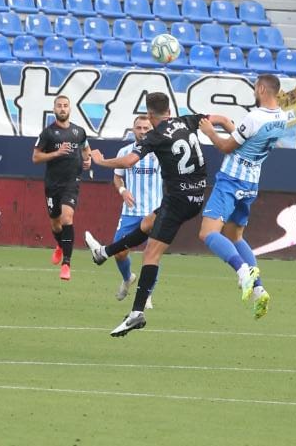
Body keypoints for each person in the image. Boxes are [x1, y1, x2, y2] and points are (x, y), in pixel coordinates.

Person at [86, 91, 209, 337]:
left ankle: (136, 313)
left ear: (151, 115)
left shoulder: (156, 135)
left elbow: (129, 162)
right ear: (170, 110)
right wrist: (226, 135)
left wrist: (100, 161)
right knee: (146, 224)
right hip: (197, 196)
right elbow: (217, 120)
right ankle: (104, 253)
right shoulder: (185, 121)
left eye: (147, 121)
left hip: (177, 201)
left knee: (151, 253)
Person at [198, 73, 288, 320]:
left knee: (208, 233)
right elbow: (245, 136)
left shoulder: (255, 116)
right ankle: (259, 289)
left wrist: (209, 132)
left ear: (260, 88)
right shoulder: (282, 117)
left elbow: (227, 147)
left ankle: (241, 270)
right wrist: (222, 121)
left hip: (231, 180)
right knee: (236, 235)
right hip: (251, 182)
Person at [31, 93, 91, 281]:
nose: (62, 108)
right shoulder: (48, 133)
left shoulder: (79, 131)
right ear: (54, 109)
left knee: (67, 217)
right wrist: (56, 153)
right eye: (59, 106)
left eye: (65, 105)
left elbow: (86, 149)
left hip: (71, 182)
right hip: (52, 184)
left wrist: (88, 161)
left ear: (70, 108)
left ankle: (66, 263)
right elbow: (35, 157)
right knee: (55, 223)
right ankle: (59, 244)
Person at [110, 114, 163, 303]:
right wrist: (123, 190)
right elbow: (117, 177)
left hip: (155, 212)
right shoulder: (124, 151)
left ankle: (147, 294)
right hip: (131, 212)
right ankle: (127, 278)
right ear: (133, 130)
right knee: (119, 251)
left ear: (152, 130)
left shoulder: (161, 152)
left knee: (152, 253)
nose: (142, 131)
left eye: (146, 128)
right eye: (139, 128)